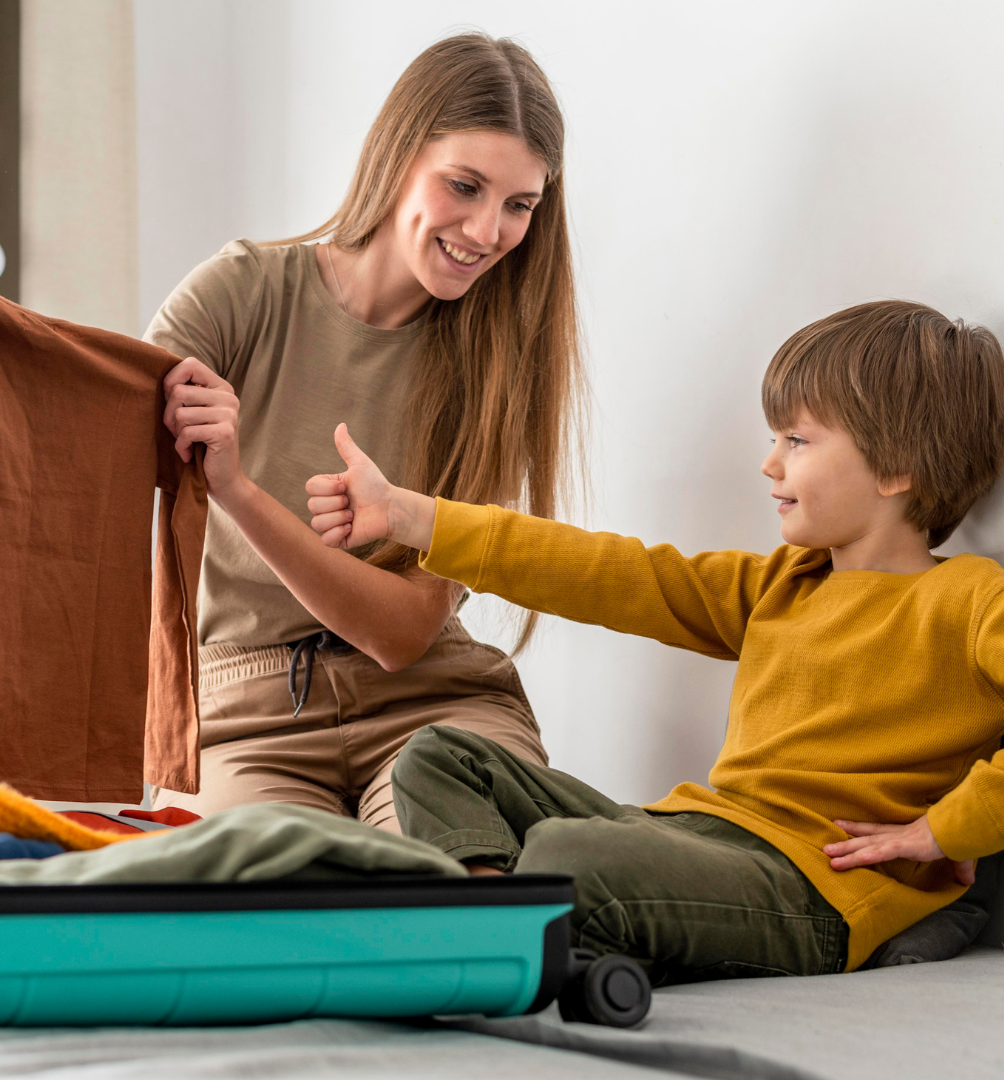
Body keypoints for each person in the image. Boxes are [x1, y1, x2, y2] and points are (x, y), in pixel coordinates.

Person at [305, 300, 1004, 981]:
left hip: (813, 884)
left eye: (798, 440)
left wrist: (946, 831)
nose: (770, 464)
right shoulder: (784, 584)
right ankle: (498, 925)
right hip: (701, 833)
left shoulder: (973, 599)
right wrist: (410, 516)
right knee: (438, 755)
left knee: (569, 854)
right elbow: (612, 574)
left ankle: (509, 933)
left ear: (896, 468)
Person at [145, 33, 583, 827]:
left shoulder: (497, 366)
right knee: (264, 906)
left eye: (519, 205)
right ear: (398, 155)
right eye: (465, 186)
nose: (488, 232)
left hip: (435, 701)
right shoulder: (238, 295)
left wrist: (237, 491)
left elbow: (404, 632)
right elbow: (82, 444)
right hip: (242, 710)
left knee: (468, 890)